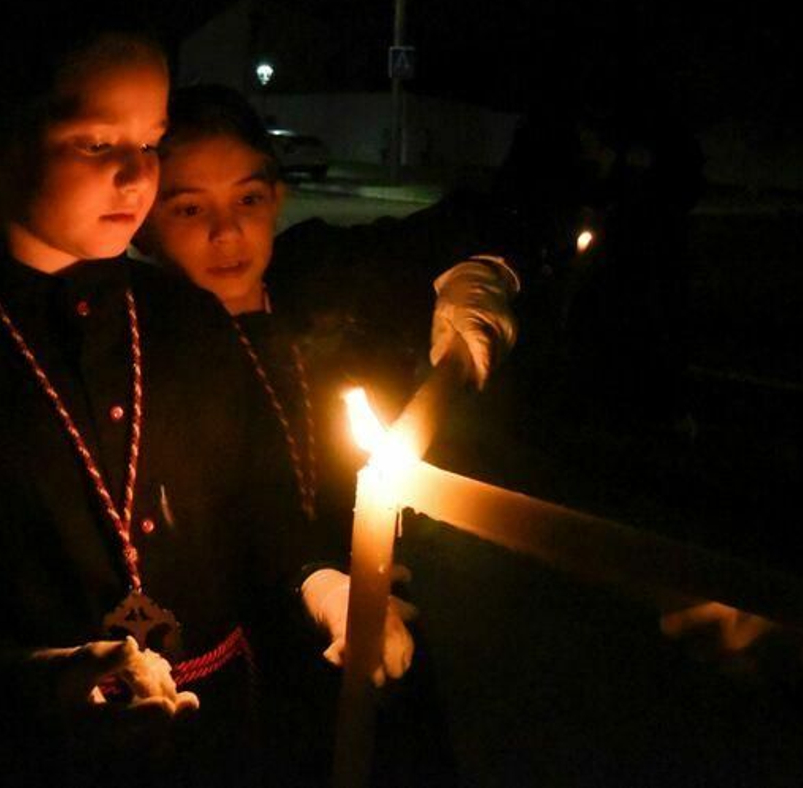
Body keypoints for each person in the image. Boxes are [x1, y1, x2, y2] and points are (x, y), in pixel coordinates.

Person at [0, 0, 415, 787]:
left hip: (217, 739)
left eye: (151, 142)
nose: (135, 175)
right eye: (95, 144)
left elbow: (260, 499)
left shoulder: (183, 319)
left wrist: (324, 579)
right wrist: (29, 683)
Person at [133, 84, 519, 784]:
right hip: (264, 663)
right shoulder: (148, 348)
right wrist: (320, 583)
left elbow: (477, 217)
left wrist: (480, 273)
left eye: (247, 199)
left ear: (277, 195)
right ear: (145, 224)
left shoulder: (314, 274)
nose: (228, 234)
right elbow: (237, 517)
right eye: (190, 209)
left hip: (382, 615)